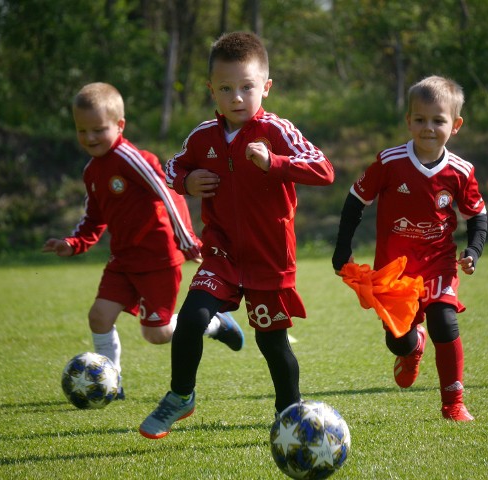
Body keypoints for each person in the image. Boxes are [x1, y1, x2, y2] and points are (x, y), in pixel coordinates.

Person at [138, 32, 334, 439]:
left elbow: (323, 169)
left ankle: (289, 415)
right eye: (226, 89)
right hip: (221, 254)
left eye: (247, 87)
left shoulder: (278, 131)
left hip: (269, 259)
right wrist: (188, 181)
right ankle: (181, 396)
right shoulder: (203, 136)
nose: (237, 97)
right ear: (212, 89)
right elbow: (171, 168)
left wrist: (275, 163)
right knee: (191, 318)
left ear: (266, 87)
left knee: (273, 345)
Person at [43, 82, 245, 399]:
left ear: (120, 125)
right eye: (82, 131)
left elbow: (168, 193)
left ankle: (216, 324)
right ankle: (112, 383)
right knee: (98, 317)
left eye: (98, 129)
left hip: (158, 260)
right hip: (123, 260)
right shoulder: (92, 171)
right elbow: (94, 216)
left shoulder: (132, 158)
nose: (90, 138)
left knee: (158, 334)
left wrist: (187, 240)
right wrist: (74, 243)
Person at [332, 76, 488, 421]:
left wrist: (473, 252)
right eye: (420, 119)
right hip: (395, 269)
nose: (428, 128)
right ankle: (411, 348)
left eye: (438, 120)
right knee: (396, 339)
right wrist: (342, 248)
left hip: (438, 262)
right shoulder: (389, 162)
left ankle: (454, 404)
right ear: (409, 121)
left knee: (444, 322)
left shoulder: (462, 172)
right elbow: (355, 202)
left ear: (456, 125)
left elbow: (478, 217)